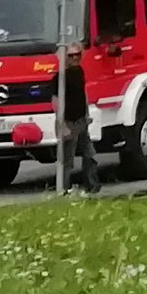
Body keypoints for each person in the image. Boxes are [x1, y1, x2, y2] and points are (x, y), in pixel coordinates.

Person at [60, 44, 102, 193]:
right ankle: (64, 188)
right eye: (71, 55)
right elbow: (56, 101)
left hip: (81, 120)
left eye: (77, 54)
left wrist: (87, 115)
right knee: (67, 158)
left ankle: (92, 185)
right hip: (69, 121)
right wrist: (62, 124)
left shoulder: (80, 72)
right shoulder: (61, 77)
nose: (75, 58)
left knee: (89, 153)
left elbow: (82, 95)